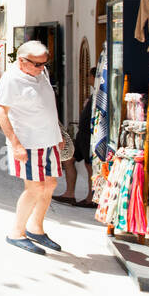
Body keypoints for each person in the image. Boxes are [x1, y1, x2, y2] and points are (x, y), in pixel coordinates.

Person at [0, 40, 65, 255]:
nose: (41, 68)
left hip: (49, 140)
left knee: (50, 184)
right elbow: (1, 112)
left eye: (45, 64)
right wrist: (15, 144)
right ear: (21, 61)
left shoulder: (39, 73)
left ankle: (36, 228)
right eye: (36, 64)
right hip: (28, 142)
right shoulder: (11, 80)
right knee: (35, 188)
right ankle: (16, 233)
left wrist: (58, 134)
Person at [56, 67, 97, 208]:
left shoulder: (100, 94)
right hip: (82, 134)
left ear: (94, 77)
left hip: (89, 136)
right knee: (69, 159)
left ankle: (91, 198)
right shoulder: (94, 94)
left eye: (89, 76)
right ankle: (69, 194)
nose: (88, 79)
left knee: (89, 165)